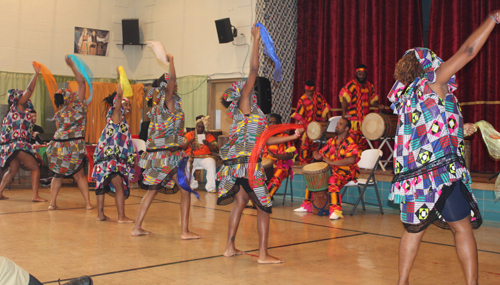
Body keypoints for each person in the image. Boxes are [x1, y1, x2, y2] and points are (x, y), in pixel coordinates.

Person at [387, 12, 500, 285]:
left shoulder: (408, 97)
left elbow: (428, 131)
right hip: (440, 174)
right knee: (462, 229)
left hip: (415, 178)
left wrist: (464, 128)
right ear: (427, 64)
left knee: (414, 231)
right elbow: (468, 50)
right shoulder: (432, 82)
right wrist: (493, 19)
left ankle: (402, 283)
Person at [217, 23, 303, 264]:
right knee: (264, 206)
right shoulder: (243, 105)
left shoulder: (256, 115)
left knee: (241, 202)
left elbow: (267, 139)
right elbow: (254, 68)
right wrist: (256, 39)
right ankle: (263, 254)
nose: (252, 89)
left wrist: (292, 137)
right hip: (249, 165)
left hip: (238, 164)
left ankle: (229, 248)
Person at [131, 54, 201, 239]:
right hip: (166, 157)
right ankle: (184, 231)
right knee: (185, 190)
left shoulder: (160, 107)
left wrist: (182, 142)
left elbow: (166, 133)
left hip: (159, 155)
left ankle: (137, 227)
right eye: (173, 84)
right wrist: (171, 62)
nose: (176, 86)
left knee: (152, 191)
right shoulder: (167, 102)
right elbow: (172, 81)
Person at [46, 56, 93, 210]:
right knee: (79, 175)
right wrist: (72, 65)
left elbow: (59, 130)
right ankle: (87, 204)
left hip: (58, 147)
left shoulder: (59, 114)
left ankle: (52, 204)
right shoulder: (78, 106)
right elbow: (81, 82)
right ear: (70, 96)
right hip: (74, 147)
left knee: (57, 174)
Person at [294, 118, 360, 220]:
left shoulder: (350, 142)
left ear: (347, 128)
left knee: (332, 179)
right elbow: (321, 154)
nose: (337, 126)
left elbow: (351, 159)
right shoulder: (331, 141)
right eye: (337, 124)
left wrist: (332, 162)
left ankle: (336, 210)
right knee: (313, 178)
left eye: (341, 124)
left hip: (347, 171)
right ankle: (307, 205)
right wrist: (317, 155)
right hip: (333, 170)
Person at [0, 65, 46, 202]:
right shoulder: (19, 107)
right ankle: (35, 196)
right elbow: (29, 89)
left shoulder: (14, 112)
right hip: (17, 145)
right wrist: (36, 74)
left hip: (9, 147)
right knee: (35, 167)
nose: (25, 97)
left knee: (13, 169)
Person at [92, 78, 135, 223]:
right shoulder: (116, 115)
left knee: (101, 184)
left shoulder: (120, 119)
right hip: (110, 158)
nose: (128, 107)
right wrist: (121, 78)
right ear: (118, 104)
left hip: (106, 157)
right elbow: (118, 96)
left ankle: (100, 215)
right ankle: (121, 217)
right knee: (119, 186)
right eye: (125, 104)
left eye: (129, 104)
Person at [339, 64, 384, 149]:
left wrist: (378, 105)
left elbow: (372, 100)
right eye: (360, 74)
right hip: (353, 121)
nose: (362, 76)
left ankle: (360, 161)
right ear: (356, 74)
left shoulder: (370, 86)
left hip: (365, 121)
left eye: (363, 74)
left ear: (366, 75)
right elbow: (344, 96)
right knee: (352, 143)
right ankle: (351, 161)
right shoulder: (352, 84)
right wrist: (344, 113)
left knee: (362, 144)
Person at [291, 80, 331, 165]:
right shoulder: (302, 100)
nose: (308, 93)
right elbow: (298, 116)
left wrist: (330, 119)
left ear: (313, 90)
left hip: (318, 127)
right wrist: (298, 129)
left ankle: (315, 164)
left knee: (317, 147)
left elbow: (325, 107)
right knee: (305, 146)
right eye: (307, 91)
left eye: (310, 91)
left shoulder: (318, 96)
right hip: (307, 128)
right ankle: (305, 164)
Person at [262, 113, 297, 198]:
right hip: (266, 167)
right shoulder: (263, 136)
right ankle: (257, 199)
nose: (272, 125)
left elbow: (290, 155)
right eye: (270, 122)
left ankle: (265, 199)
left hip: (281, 165)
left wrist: (276, 156)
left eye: (275, 122)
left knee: (278, 174)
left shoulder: (285, 137)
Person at [181, 115, 218, 193]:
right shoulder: (188, 135)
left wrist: (208, 144)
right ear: (196, 127)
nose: (201, 129)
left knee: (211, 163)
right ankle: (192, 185)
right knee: (186, 165)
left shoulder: (209, 136)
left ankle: (210, 187)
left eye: (202, 127)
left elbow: (216, 149)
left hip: (205, 158)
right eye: (199, 127)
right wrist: (188, 142)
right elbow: (182, 147)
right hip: (192, 157)